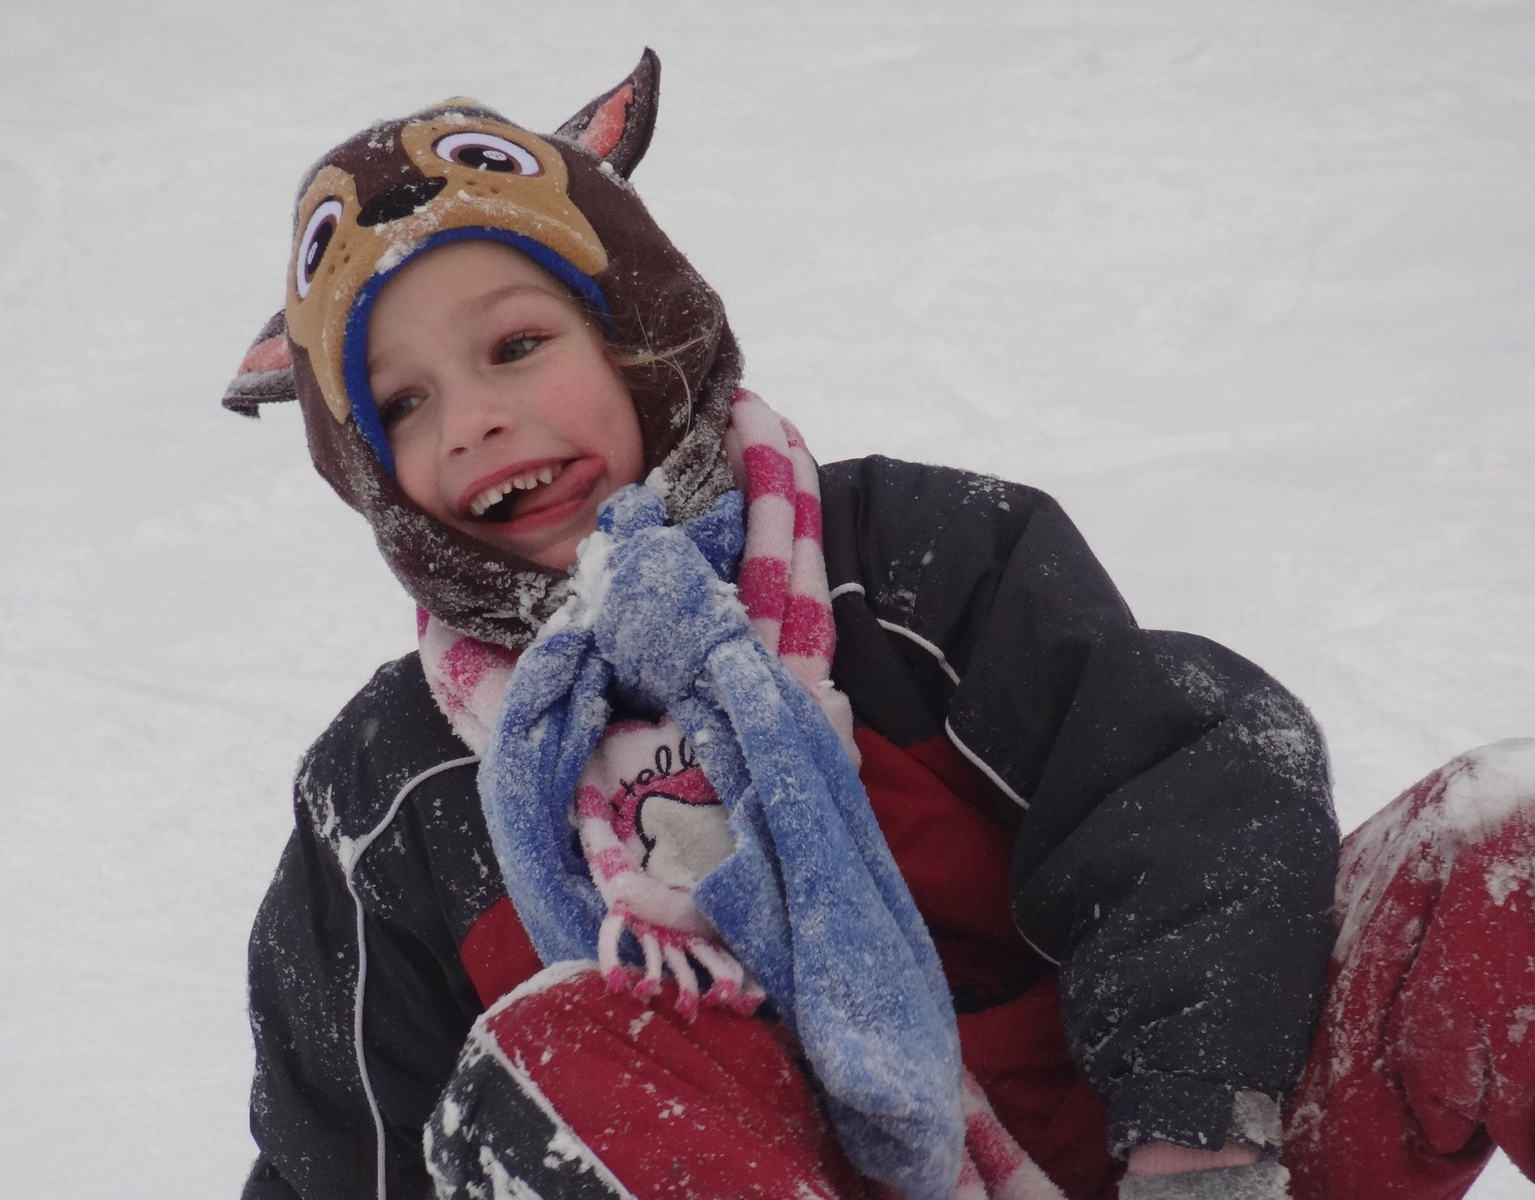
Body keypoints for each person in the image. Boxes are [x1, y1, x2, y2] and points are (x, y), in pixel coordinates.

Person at [222, 51, 1535, 1200]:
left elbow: (1180, 807)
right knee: (558, 1048)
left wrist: (1199, 1147)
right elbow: (345, 1160)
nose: (472, 420)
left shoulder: (916, 568)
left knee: (1505, 847)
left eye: (514, 346)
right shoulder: (390, 808)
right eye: (399, 405)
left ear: (640, 328)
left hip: (1181, 1169)